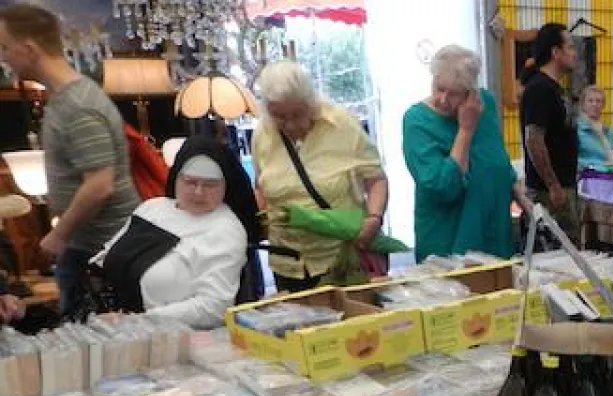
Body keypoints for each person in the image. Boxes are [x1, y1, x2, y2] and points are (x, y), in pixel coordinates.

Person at [0, 4, 139, 320]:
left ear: (29, 48)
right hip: (92, 247)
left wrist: (60, 234)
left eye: (5, 47)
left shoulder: (77, 105)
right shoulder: (67, 98)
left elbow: (100, 184)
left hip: (100, 252)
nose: (4, 57)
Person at [91, 137, 259, 328]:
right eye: (190, 181)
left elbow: (214, 308)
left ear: (225, 186)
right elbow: (105, 257)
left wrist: (141, 320)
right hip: (113, 327)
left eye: (210, 185)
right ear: (176, 177)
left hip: (173, 337)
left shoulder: (226, 230)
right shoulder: (151, 208)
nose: (198, 192)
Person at [252, 60, 389, 293]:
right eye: (280, 116)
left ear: (311, 101)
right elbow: (262, 185)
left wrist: (374, 219)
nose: (290, 124)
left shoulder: (341, 125)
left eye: (298, 113)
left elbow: (376, 179)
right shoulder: (262, 135)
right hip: (288, 263)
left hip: (342, 260)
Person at [403, 45, 522, 262]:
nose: (443, 99)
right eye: (439, 88)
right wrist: (466, 130)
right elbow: (442, 187)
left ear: (470, 93)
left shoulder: (485, 103)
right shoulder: (417, 121)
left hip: (491, 227)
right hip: (448, 235)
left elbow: (496, 157)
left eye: (454, 93)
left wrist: (516, 188)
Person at [520, 23, 579, 244]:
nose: (575, 54)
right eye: (570, 47)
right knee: (560, 258)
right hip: (550, 191)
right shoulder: (540, 89)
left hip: (562, 185)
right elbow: (533, 140)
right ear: (556, 52)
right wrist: (553, 185)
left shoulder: (554, 88)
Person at [576, 86, 613, 171]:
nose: (595, 104)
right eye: (590, 101)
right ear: (583, 105)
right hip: (590, 178)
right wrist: (601, 167)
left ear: (603, 105)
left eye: (598, 101)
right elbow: (573, 161)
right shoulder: (576, 130)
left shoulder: (609, 132)